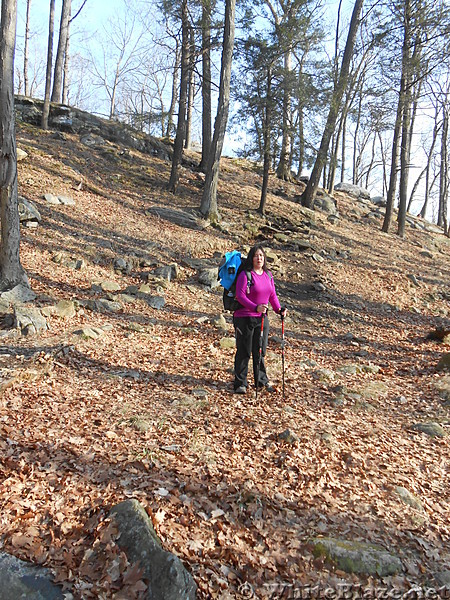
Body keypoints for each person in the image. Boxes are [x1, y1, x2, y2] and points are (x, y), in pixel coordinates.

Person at [233, 244, 286, 394]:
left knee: (260, 351)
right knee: (244, 351)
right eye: (256, 255)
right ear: (251, 258)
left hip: (262, 318)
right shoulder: (246, 274)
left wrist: (278, 310)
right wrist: (255, 307)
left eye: (261, 255)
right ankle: (240, 383)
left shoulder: (268, 275)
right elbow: (240, 296)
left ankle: (261, 382)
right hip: (244, 318)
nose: (259, 258)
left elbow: (272, 295)